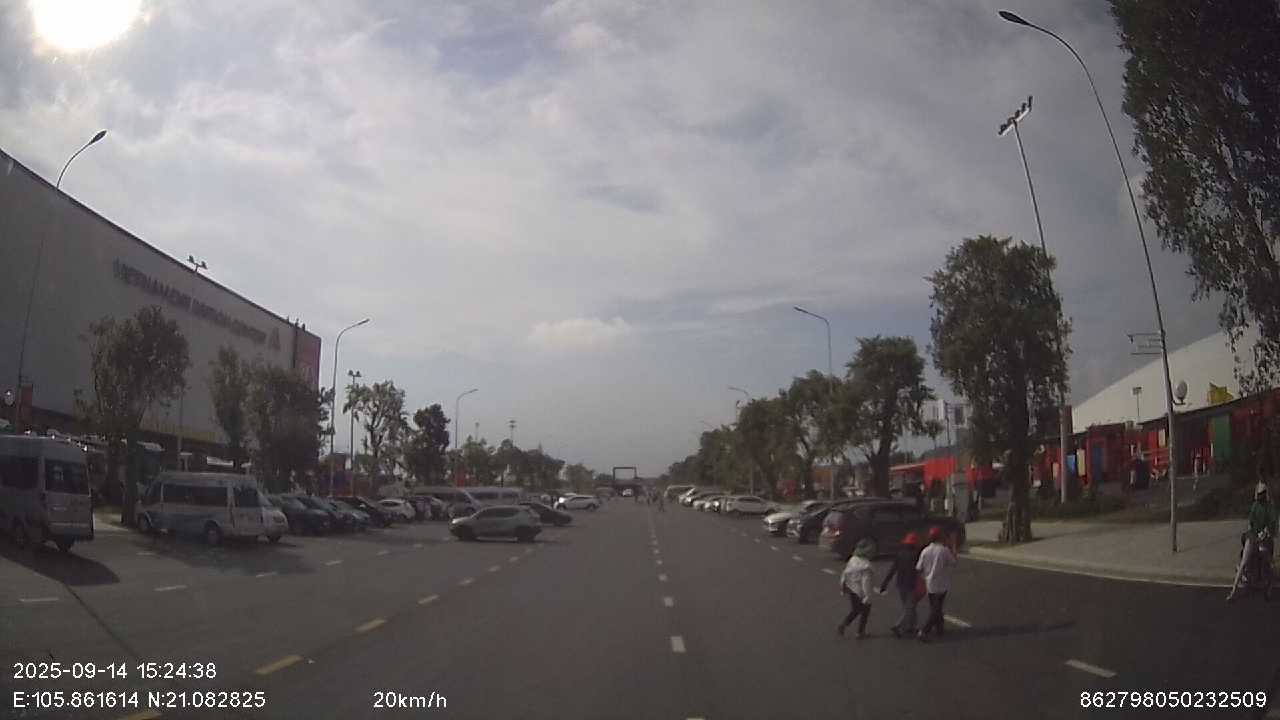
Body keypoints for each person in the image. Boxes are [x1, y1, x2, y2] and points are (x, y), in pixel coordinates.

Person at [1228, 482, 1277, 602]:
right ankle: (1233, 590)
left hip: (1264, 540)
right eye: (1258, 494)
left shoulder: (1270, 507)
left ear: (1265, 494)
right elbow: (1250, 522)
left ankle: (1270, 588)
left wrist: (1265, 533)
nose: (1259, 496)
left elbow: (1272, 526)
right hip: (1253, 537)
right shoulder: (1255, 505)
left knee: (1269, 561)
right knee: (1244, 561)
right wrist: (1253, 532)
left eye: (1261, 494)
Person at [877, 532, 923, 638]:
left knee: (908, 606)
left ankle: (911, 626)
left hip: (900, 584)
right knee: (910, 607)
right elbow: (920, 569)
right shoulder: (916, 556)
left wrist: (884, 584)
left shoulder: (900, 554)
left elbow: (892, 570)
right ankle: (898, 626)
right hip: (911, 584)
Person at [915, 526, 957, 642]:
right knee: (937, 608)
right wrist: (953, 545)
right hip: (942, 584)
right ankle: (924, 631)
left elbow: (918, 567)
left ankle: (940, 628)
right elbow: (953, 562)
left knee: (935, 606)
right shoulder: (944, 550)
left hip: (929, 583)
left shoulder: (925, 551)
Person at [837, 537, 878, 639]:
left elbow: (845, 574)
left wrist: (843, 587)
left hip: (851, 588)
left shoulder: (853, 560)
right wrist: (867, 596)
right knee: (865, 612)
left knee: (855, 609)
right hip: (861, 591)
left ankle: (844, 624)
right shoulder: (866, 566)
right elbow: (866, 582)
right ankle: (860, 632)